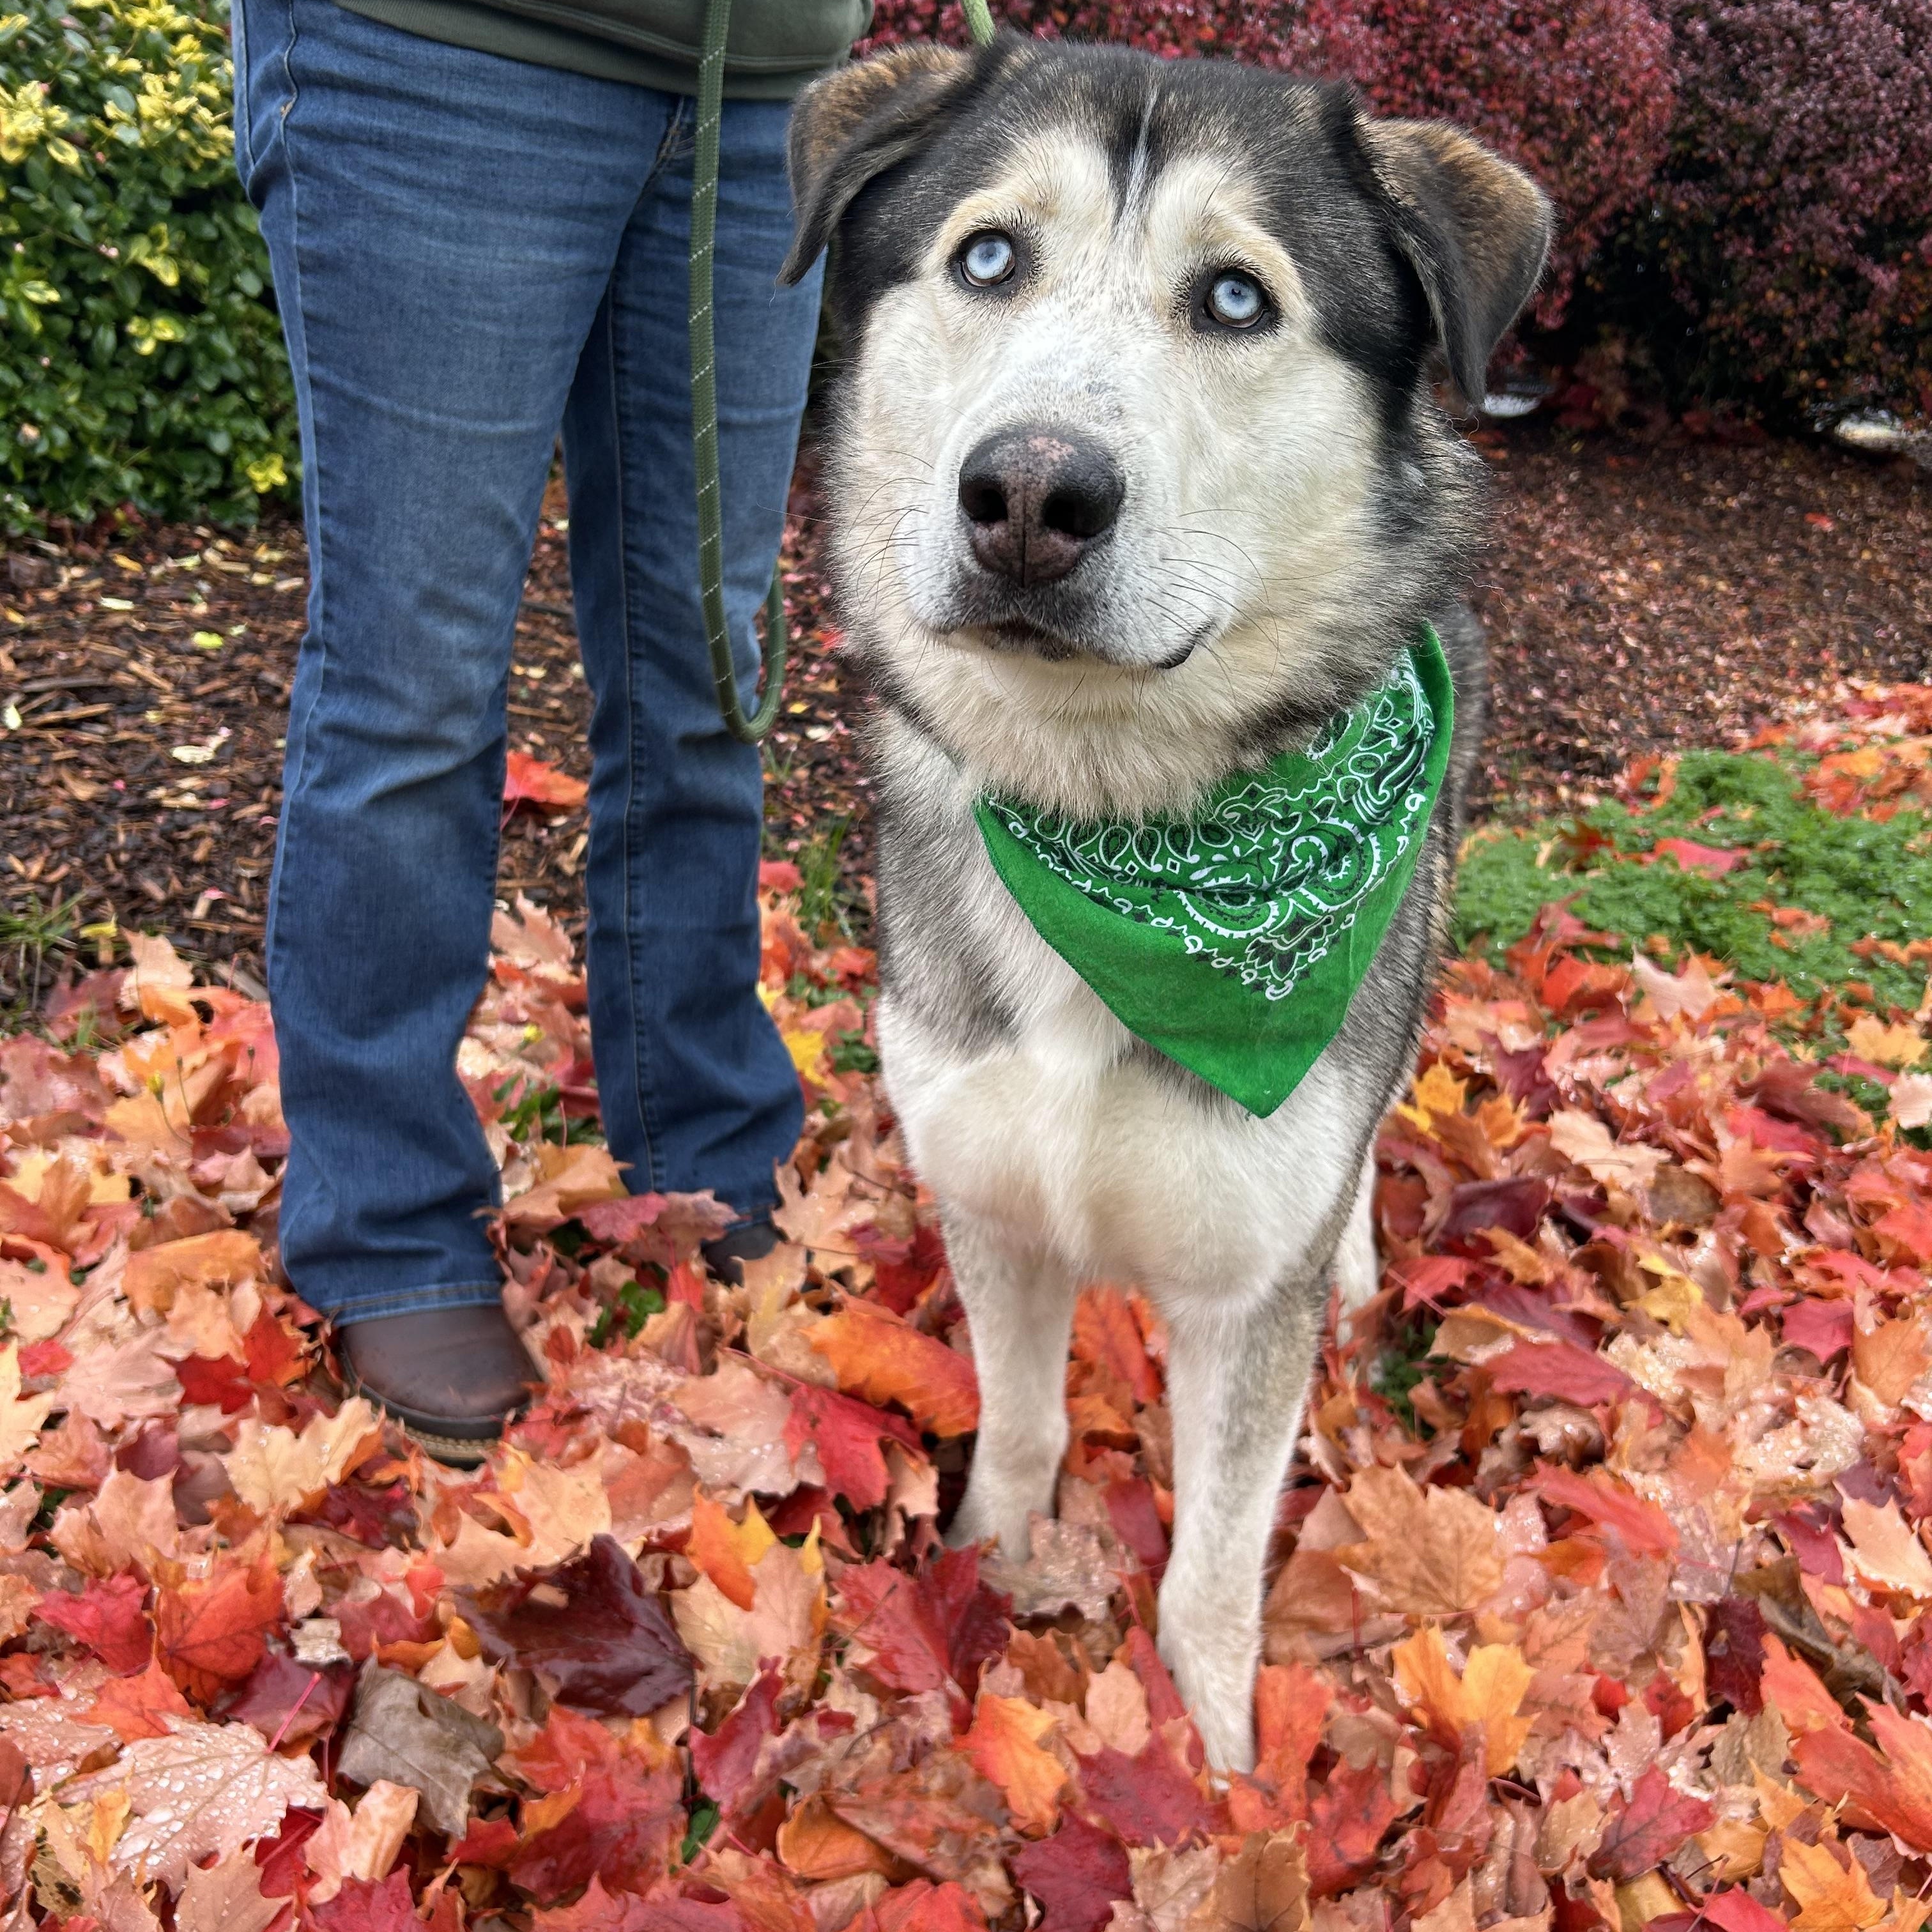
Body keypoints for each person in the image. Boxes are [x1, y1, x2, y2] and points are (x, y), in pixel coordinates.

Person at [230, 0, 866, 1459]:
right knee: (416, 685)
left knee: (707, 671)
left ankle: (705, 1149)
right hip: (444, 49)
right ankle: (389, 1223)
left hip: (760, 89)